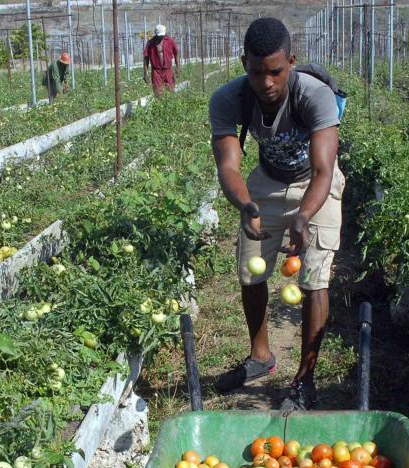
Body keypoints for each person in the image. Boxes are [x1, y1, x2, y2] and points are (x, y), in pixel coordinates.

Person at [208, 17, 345, 411]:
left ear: (291, 62)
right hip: (267, 181)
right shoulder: (229, 98)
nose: (266, 82)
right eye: (256, 72)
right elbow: (228, 167)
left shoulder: (314, 95)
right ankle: (260, 356)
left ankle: (304, 380)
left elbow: (323, 170)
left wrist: (303, 217)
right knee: (250, 271)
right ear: (244, 64)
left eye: (276, 71)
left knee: (314, 279)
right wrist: (247, 206)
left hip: (314, 185)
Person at [143, 24, 179, 96]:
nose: (161, 37)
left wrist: (178, 68)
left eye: (162, 35)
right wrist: (145, 73)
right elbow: (146, 58)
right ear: (156, 34)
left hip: (168, 70)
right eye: (159, 35)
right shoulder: (150, 43)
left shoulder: (170, 40)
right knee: (158, 93)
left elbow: (176, 53)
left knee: (171, 90)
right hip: (156, 71)